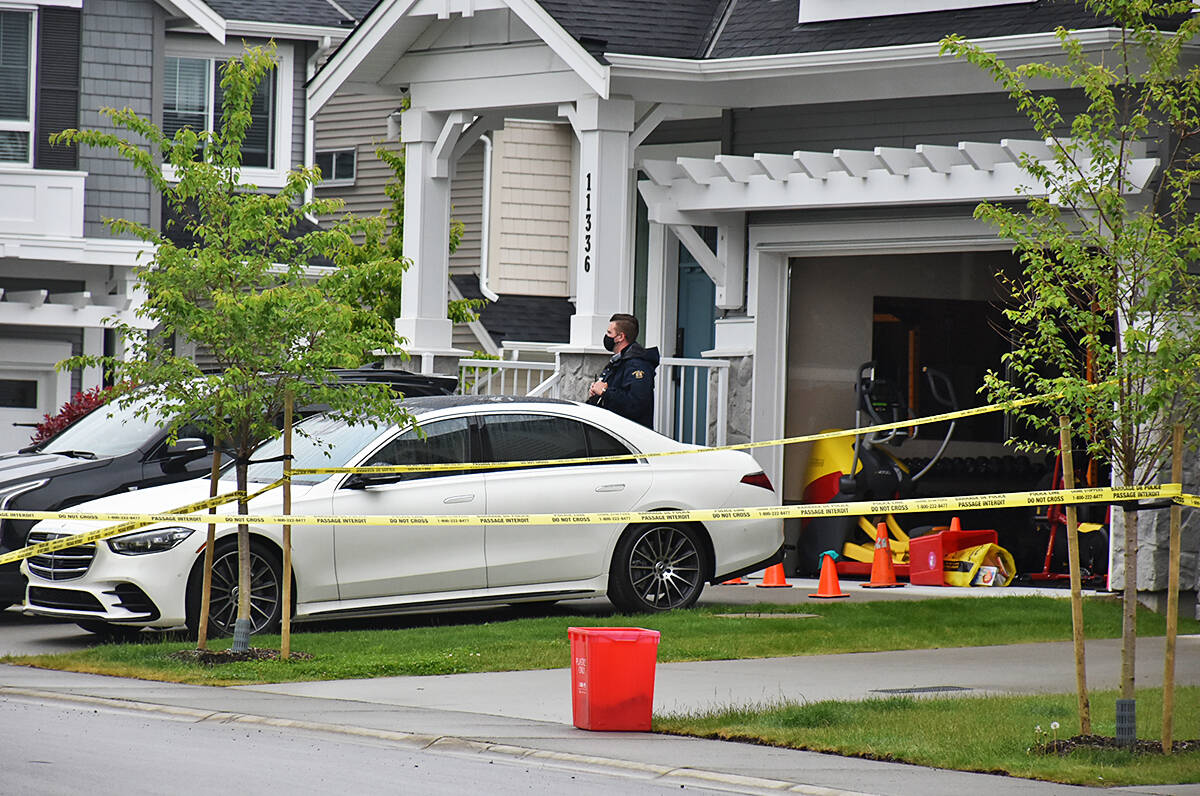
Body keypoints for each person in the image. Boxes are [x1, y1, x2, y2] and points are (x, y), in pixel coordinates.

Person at [587, 313, 659, 427]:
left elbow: (636, 404)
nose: (606, 336)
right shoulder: (618, 362)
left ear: (620, 337)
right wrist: (597, 394)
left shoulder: (637, 365)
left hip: (629, 435)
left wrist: (605, 392)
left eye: (609, 332)